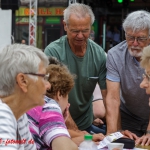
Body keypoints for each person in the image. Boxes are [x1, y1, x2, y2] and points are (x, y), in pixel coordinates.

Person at [44, 3, 107, 134]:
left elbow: (109, 97)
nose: (80, 36)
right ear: (65, 26)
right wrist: (77, 133)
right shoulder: (53, 52)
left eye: (85, 31)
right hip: (58, 124)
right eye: (75, 31)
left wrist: (113, 132)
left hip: (86, 124)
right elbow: (56, 97)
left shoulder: (99, 55)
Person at [105, 10, 150, 146]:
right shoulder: (114, 55)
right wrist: (113, 134)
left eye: (140, 38)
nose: (134, 43)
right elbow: (113, 98)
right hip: (129, 119)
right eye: (130, 37)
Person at [0, 44, 50, 149]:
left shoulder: (18, 114)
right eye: (43, 77)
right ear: (23, 81)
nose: (48, 85)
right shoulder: (2, 114)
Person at [27, 62, 78, 149]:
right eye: (67, 98)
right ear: (59, 95)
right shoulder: (48, 105)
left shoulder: (27, 103)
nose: (68, 104)